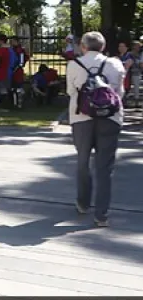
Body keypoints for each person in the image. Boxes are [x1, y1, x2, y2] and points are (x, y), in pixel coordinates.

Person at [66, 31, 125, 227]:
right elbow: (119, 93)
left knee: (83, 161)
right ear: (103, 46)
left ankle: (83, 203)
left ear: (83, 46)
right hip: (109, 118)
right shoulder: (115, 64)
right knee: (105, 166)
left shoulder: (74, 65)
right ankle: (102, 215)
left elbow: (70, 91)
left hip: (81, 117)